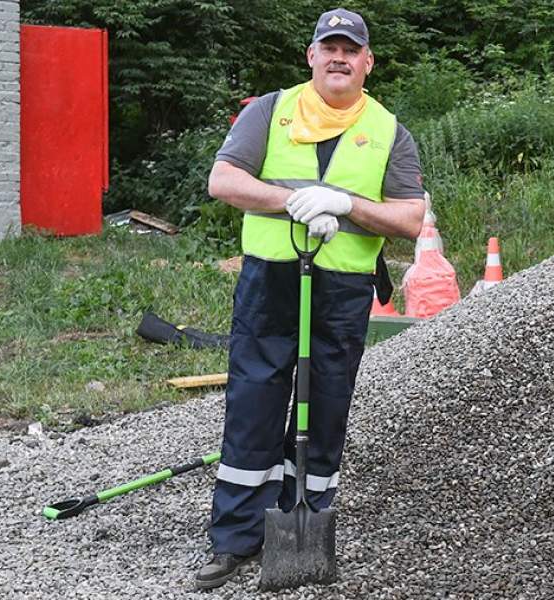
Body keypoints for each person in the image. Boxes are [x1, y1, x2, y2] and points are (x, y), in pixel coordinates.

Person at [197, 8, 425, 589]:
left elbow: (410, 217)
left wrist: (345, 205)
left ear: (368, 63)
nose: (340, 58)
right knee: (255, 399)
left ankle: (307, 519)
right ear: (312, 56)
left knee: (324, 406)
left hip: (343, 290)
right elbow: (224, 181)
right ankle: (236, 538)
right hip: (271, 280)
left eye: (352, 50)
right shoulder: (270, 112)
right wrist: (293, 200)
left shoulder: (389, 129)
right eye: (330, 48)